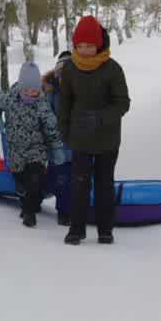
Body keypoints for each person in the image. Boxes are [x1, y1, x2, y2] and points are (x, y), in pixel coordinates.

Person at [58, 16, 130, 245]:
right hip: (79, 138)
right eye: (81, 46)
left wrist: (99, 118)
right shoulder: (69, 68)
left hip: (107, 138)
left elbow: (122, 103)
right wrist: (64, 131)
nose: (86, 50)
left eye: (90, 45)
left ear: (98, 44)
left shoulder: (112, 69)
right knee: (78, 183)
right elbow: (65, 102)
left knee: (104, 184)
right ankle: (76, 229)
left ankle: (105, 229)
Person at [0, 62, 66, 227]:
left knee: (35, 179)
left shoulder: (42, 104)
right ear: (20, 87)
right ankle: (26, 202)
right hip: (15, 150)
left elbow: (51, 126)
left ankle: (30, 212)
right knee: (21, 181)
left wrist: (57, 147)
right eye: (27, 90)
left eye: (34, 91)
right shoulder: (9, 98)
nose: (30, 94)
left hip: (36, 149)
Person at [41, 51, 74, 226]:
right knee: (57, 180)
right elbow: (46, 116)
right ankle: (37, 197)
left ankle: (65, 211)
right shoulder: (50, 92)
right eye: (62, 75)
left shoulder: (79, 92)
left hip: (75, 147)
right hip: (56, 147)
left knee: (67, 181)